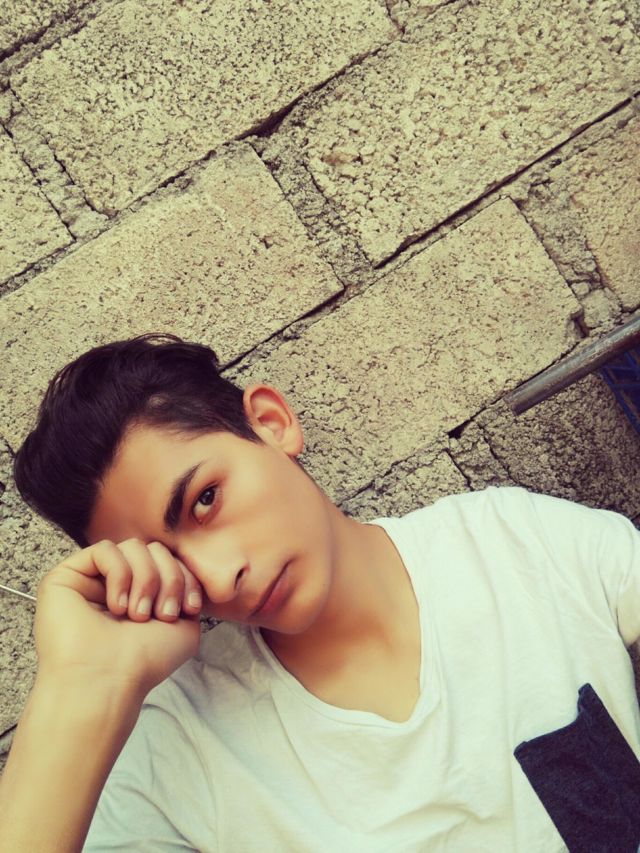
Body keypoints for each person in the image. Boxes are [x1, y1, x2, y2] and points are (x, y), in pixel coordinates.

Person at [1, 332, 640, 853]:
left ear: (271, 424)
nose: (218, 578)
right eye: (166, 562)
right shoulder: (178, 746)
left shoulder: (513, 543)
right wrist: (82, 686)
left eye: (206, 499)